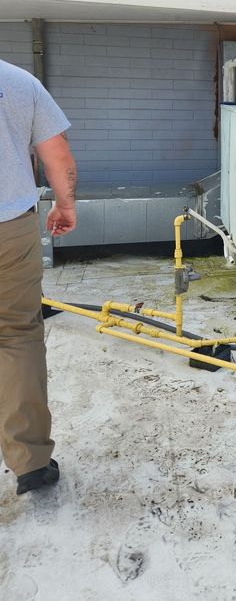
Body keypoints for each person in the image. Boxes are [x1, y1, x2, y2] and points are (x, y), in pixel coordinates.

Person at [0, 59, 77, 496]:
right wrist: (66, 205)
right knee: (15, 336)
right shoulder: (17, 82)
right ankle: (29, 461)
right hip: (9, 228)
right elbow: (57, 152)